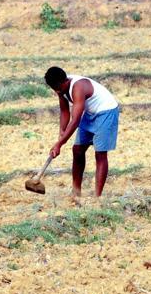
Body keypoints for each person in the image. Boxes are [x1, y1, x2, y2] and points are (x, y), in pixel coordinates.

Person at [44, 66, 120, 198]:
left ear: (65, 81)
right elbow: (64, 111)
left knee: (100, 153)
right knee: (77, 150)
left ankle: (97, 197)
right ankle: (76, 192)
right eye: (54, 89)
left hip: (106, 112)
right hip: (91, 113)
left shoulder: (78, 87)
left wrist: (60, 144)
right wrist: (61, 133)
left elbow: (75, 120)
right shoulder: (60, 88)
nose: (57, 91)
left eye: (58, 88)